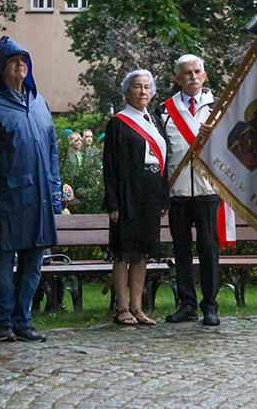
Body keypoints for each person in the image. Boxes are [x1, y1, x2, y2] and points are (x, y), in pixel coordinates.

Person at [0, 36, 61, 343]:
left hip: (40, 198)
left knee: (35, 260)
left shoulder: (40, 103)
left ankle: (24, 319)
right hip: (5, 199)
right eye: (12, 60)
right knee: (4, 262)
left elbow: (51, 151)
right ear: (0, 67)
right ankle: (4, 322)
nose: (20, 64)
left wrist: (55, 192)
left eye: (24, 59)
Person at [103, 69, 169, 326]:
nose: (143, 91)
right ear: (127, 91)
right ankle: (121, 308)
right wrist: (113, 201)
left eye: (146, 87)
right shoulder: (118, 123)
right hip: (127, 193)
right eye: (137, 87)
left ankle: (137, 307)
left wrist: (164, 197)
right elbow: (110, 166)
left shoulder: (154, 121)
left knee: (142, 252)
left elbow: (166, 161)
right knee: (123, 251)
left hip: (151, 192)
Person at [159, 54, 220, 326]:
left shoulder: (220, 108)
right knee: (181, 250)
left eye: (197, 71)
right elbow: (160, 154)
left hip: (208, 190)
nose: (192, 76)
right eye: (186, 72)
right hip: (178, 192)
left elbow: (234, 148)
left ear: (205, 76)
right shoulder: (163, 111)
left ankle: (211, 306)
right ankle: (187, 305)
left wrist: (216, 135)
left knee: (208, 249)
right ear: (177, 78)